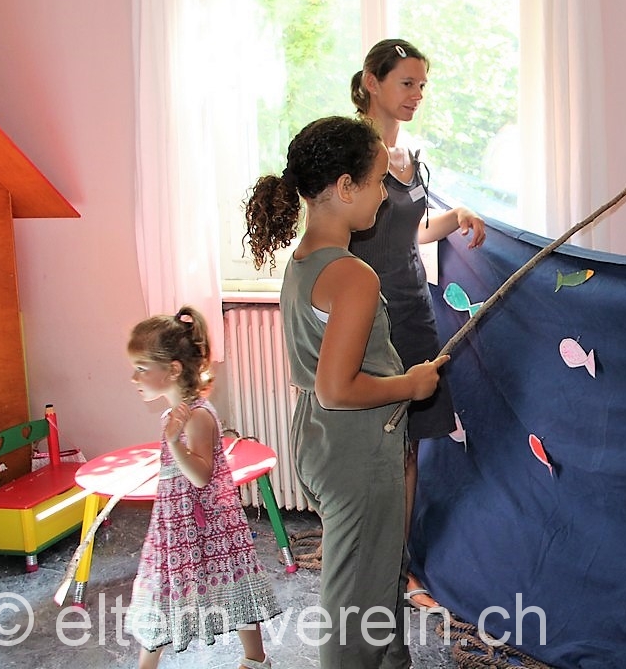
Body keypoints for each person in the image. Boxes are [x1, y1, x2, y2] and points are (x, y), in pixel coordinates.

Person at [244, 115, 447, 668]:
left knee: (377, 574)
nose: (384, 195)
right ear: (344, 187)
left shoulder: (304, 261)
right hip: (356, 446)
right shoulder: (354, 276)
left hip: (323, 440)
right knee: (356, 602)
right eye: (379, 182)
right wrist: (411, 383)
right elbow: (336, 388)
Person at [348, 38, 486, 610]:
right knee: (371, 452)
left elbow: (411, 231)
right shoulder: (349, 154)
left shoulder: (409, 156)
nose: (417, 94)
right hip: (365, 319)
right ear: (371, 82)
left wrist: (454, 216)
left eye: (422, 85)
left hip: (413, 312)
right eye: (407, 83)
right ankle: (362, 563)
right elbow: (334, 237)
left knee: (407, 450)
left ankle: (399, 569)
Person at [124, 305, 281, 669]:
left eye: (142, 368)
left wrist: (173, 442)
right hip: (179, 526)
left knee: (232, 585)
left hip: (207, 525)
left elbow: (200, 475)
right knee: (168, 591)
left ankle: (255, 659)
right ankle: (253, 658)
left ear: (173, 370)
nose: (134, 377)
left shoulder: (195, 416)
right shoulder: (177, 413)